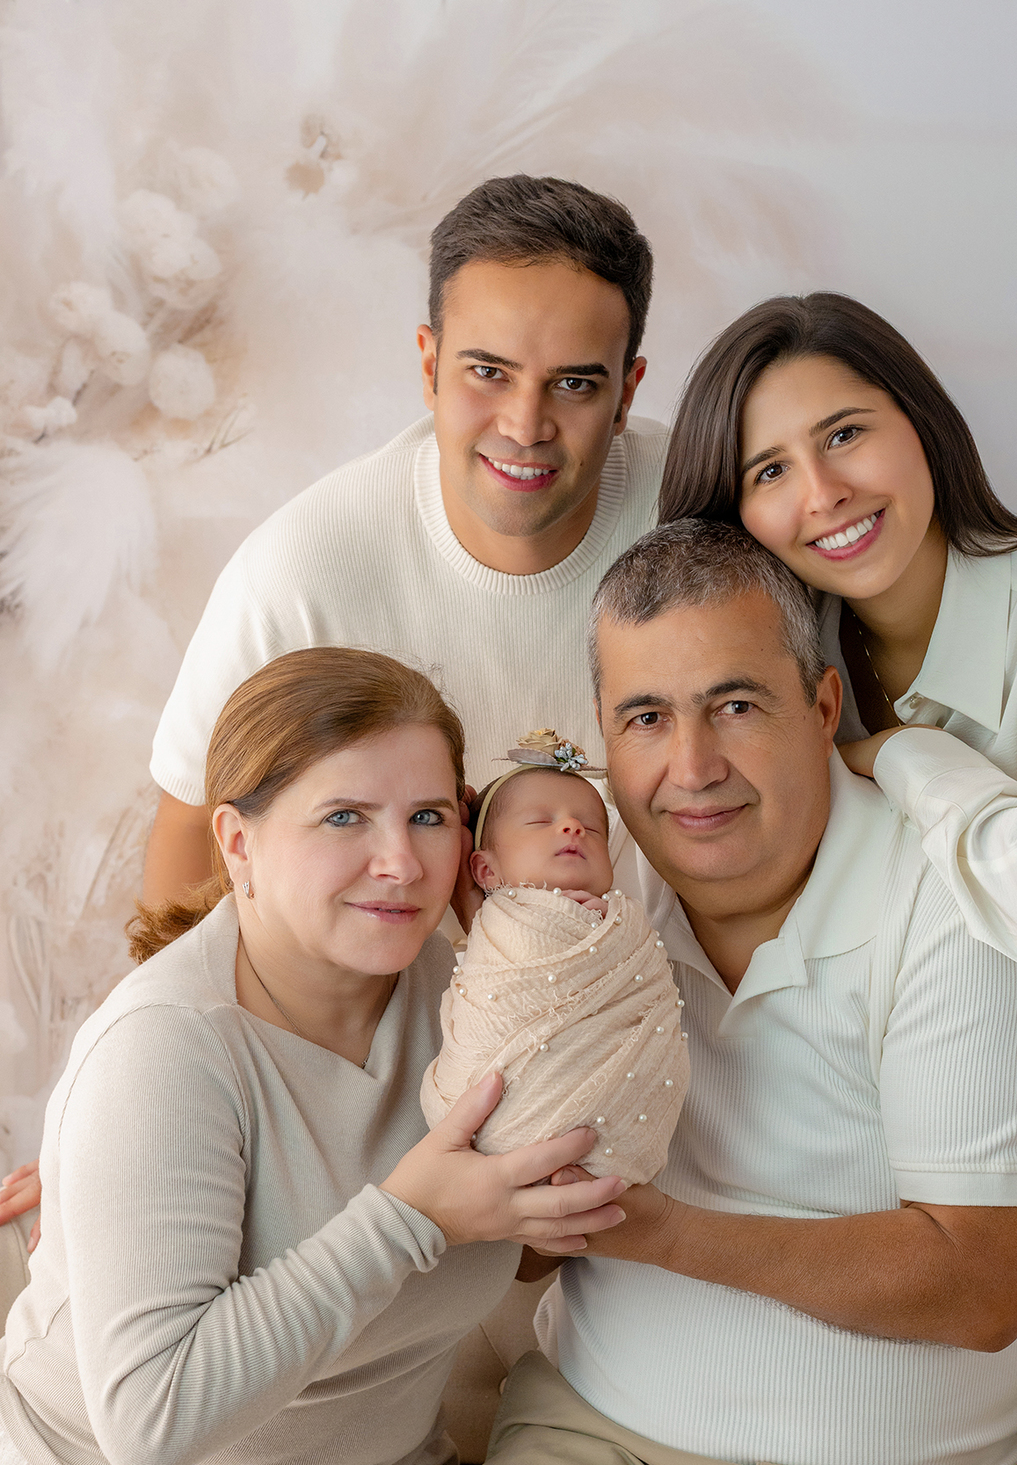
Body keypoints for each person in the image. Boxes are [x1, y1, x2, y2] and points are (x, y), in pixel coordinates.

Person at [422, 524, 1017, 1465]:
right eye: (646, 720)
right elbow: (494, 1229)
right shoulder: (576, 908)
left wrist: (665, 1234)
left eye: (735, 705)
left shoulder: (956, 914)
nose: (691, 768)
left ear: (822, 701)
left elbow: (986, 1280)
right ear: (605, 735)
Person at [0, 170, 665, 1242]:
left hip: (651, 1049)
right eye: (487, 372)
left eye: (575, 384)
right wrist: (136, 1102)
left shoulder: (701, 515)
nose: (526, 424)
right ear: (427, 363)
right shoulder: (305, 570)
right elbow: (191, 850)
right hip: (413, 1079)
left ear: (629, 387)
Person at [0, 648, 624, 1465]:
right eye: (344, 817)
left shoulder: (481, 1004)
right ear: (237, 843)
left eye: (429, 815)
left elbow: (535, 1242)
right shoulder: (167, 1054)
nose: (398, 862)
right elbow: (152, 1426)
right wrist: (411, 1219)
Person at [657, 292, 1017, 1413]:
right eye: (768, 471)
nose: (823, 495)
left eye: (845, 433)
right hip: (926, 1112)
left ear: (921, 425)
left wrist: (899, 754)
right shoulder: (780, 670)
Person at [421, 730, 688, 1186]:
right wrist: (490, 925)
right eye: (540, 821)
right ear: (485, 870)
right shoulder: (499, 927)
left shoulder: (623, 926)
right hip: (496, 1115)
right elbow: (495, 984)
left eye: (592, 826)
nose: (573, 827)